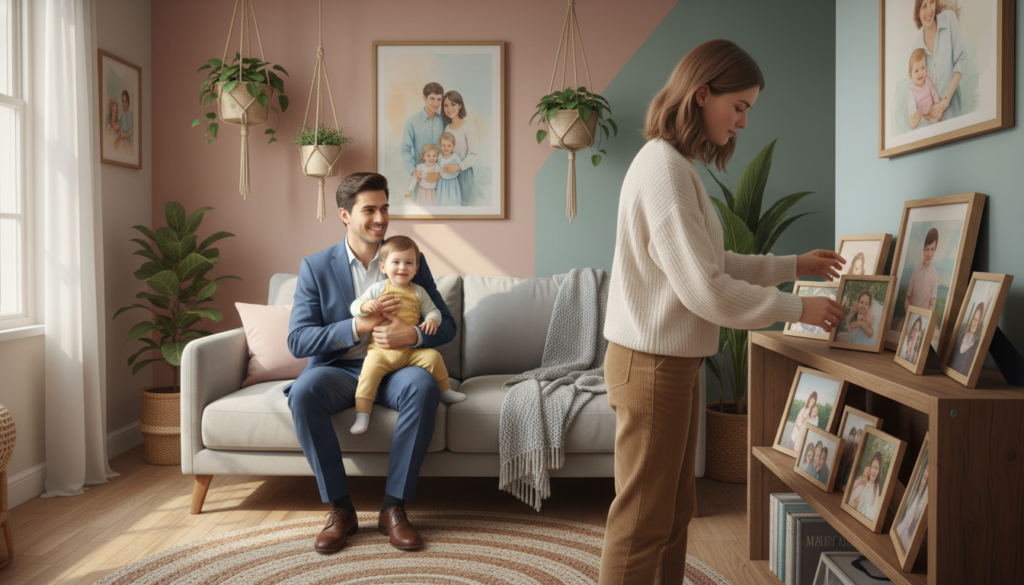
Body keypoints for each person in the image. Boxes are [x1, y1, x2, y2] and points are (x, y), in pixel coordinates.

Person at [599, 39, 846, 585]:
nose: (743, 123)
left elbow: (711, 261)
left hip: (669, 362)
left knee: (671, 513)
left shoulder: (675, 165)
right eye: (739, 107)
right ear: (702, 94)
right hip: (653, 365)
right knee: (641, 522)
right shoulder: (664, 169)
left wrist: (793, 264)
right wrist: (798, 307)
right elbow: (706, 290)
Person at [286, 172, 456, 554]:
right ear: (345, 215)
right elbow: (298, 340)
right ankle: (341, 510)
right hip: (341, 371)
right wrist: (357, 326)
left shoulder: (408, 260)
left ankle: (393, 508)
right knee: (303, 393)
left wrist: (412, 335)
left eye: (385, 208)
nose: (380, 218)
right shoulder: (316, 267)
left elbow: (447, 326)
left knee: (423, 386)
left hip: (398, 368)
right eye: (369, 210)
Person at [348, 236, 466, 434]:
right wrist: (365, 306)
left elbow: (434, 311)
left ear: (416, 268)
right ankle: (362, 415)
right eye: (396, 262)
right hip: (381, 352)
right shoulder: (378, 289)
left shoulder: (419, 292)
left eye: (409, 263)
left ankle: (445, 392)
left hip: (410, 352)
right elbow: (354, 306)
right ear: (383, 267)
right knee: (368, 372)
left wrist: (431, 320)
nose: (402, 267)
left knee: (433, 356)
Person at [912, 0, 966, 123]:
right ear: (918, 12)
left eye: (932, 2)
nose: (929, 10)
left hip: (955, 108)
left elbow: (961, 60)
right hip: (933, 120)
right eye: (924, 6)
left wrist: (944, 103)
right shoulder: (917, 47)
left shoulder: (949, 19)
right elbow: (918, 88)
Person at [401, 82, 445, 185]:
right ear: (424, 98)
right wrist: (413, 171)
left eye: (439, 99)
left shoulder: (444, 121)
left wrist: (441, 173)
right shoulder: (412, 121)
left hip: (441, 178)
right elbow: (405, 150)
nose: (436, 103)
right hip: (420, 178)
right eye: (432, 98)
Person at [441, 90, 479, 205]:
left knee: (466, 204)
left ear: (460, 105)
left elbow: (474, 155)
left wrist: (458, 167)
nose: (449, 108)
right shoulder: (446, 128)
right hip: (449, 175)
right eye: (446, 105)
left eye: (453, 104)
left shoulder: (468, 126)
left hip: (464, 173)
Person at [904, 228, 940, 315]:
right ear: (923, 250)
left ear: (935, 250)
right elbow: (908, 297)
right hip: (910, 315)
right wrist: (908, 314)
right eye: (927, 249)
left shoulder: (934, 273)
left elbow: (932, 303)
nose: (929, 253)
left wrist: (925, 318)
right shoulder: (916, 271)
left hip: (923, 317)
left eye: (932, 249)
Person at [907, 48, 942, 129]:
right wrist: (916, 119)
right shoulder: (911, 92)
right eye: (916, 71)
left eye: (923, 68)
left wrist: (937, 104)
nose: (921, 73)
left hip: (932, 116)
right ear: (911, 76)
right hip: (921, 121)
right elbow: (912, 112)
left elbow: (934, 93)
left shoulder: (928, 80)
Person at [896, 462, 929, 548]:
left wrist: (921, 493)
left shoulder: (924, 501)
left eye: (927, 475)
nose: (924, 477)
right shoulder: (914, 495)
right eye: (925, 470)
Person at [948, 301, 985, 375]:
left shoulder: (976, 345)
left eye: (977, 320)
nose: (974, 323)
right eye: (973, 318)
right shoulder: (960, 336)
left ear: (980, 324)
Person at [854, 452, 884, 521]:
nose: (873, 471)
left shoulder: (876, 488)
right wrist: (860, 482)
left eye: (876, 468)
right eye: (872, 467)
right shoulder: (862, 481)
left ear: (879, 470)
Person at [435, 132, 463, 206]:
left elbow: (459, 169)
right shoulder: (439, 157)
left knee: (452, 200)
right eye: (443, 145)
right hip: (442, 182)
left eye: (449, 146)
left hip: (452, 182)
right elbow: (436, 168)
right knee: (442, 200)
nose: (446, 148)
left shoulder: (455, 157)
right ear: (440, 145)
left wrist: (453, 169)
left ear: (453, 146)